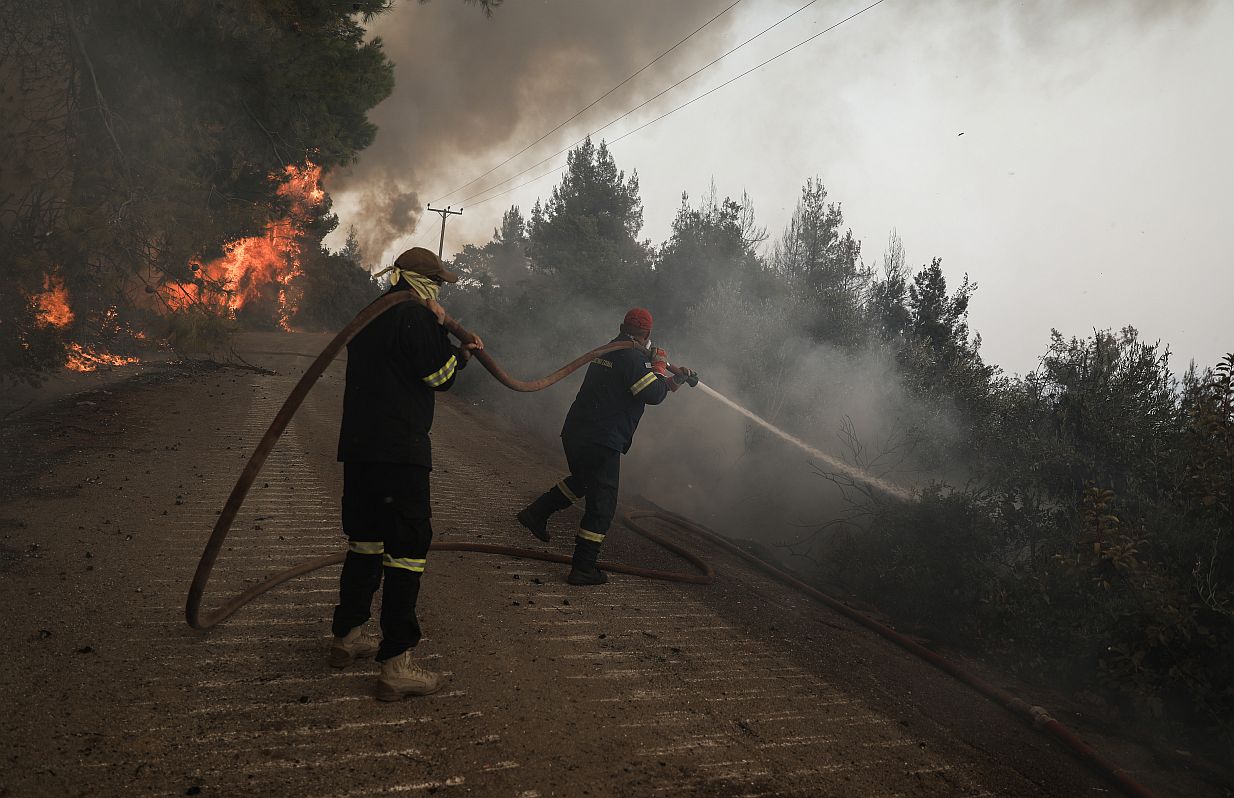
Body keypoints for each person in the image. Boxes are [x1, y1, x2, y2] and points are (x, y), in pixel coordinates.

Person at [328, 246, 483, 702]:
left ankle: (348, 636)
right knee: (407, 550)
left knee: (365, 542)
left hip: (359, 449)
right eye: (438, 284)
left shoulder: (371, 312)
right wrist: (464, 353)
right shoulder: (415, 317)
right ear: (423, 282)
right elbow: (440, 377)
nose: (440, 292)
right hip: (400, 451)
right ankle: (397, 664)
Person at [517, 307, 696, 585]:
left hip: (577, 433)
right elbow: (652, 394)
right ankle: (583, 567)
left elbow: (650, 387)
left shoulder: (610, 351)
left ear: (622, 326)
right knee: (602, 504)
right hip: (600, 439)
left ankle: (536, 513)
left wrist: (676, 379)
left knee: (584, 481)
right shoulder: (632, 358)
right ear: (647, 333)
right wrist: (659, 366)